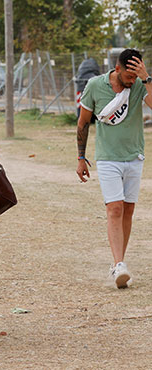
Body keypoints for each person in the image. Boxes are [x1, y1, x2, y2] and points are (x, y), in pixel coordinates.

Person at [77, 49, 150, 289]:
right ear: (117, 69)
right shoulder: (95, 85)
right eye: (128, 76)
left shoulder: (139, 84)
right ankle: (119, 264)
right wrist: (81, 157)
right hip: (108, 158)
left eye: (134, 76)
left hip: (134, 156)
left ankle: (119, 263)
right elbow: (84, 121)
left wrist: (146, 78)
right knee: (115, 208)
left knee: (128, 210)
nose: (131, 81)